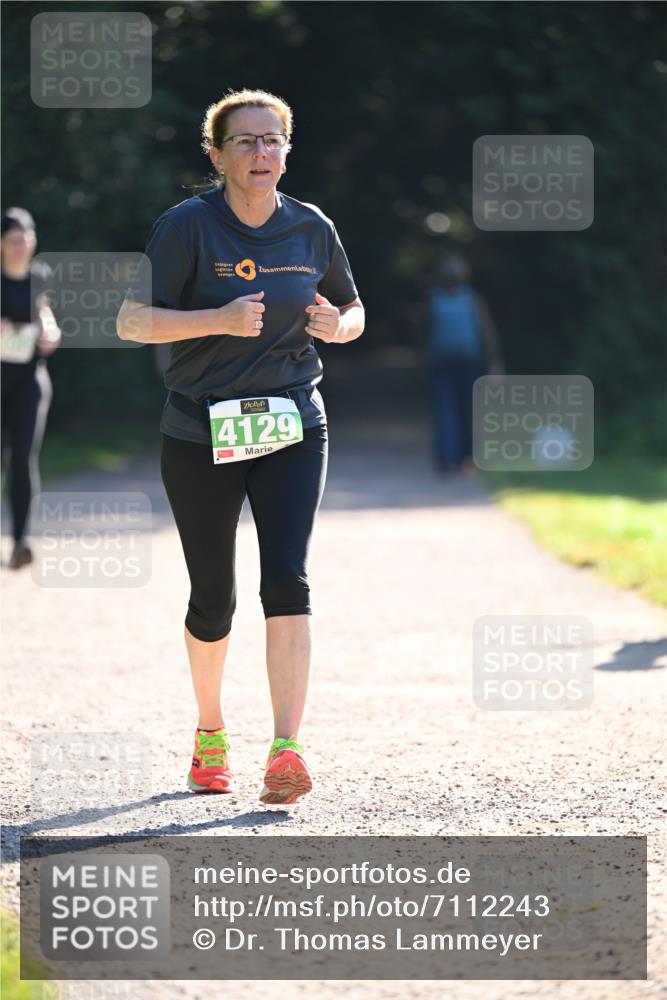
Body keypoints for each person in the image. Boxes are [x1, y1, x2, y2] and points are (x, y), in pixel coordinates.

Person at [117, 89, 364, 805]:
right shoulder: (187, 227)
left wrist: (340, 328)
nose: (261, 153)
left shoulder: (310, 227)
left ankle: (286, 749)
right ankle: (210, 730)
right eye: (246, 141)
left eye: (272, 141)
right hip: (200, 428)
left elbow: (350, 304)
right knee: (212, 598)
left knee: (287, 580)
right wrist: (215, 318)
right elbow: (133, 323)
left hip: (291, 422)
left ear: (287, 151)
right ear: (216, 154)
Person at [1, 207, 61, 569]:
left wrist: (50, 330)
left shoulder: (40, 275)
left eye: (26, 238)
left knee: (23, 458)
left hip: (29, 379)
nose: (21, 246)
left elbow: (43, 312)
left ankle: (21, 542)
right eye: (13, 240)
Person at [426, 254, 504, 474]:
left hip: (465, 364)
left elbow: (486, 335)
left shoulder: (469, 299)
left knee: (460, 412)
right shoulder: (439, 299)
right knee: (449, 412)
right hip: (446, 364)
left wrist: (494, 364)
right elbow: (487, 334)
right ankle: (451, 459)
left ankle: (461, 459)